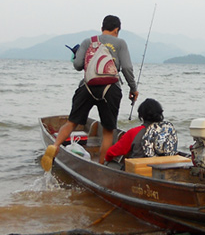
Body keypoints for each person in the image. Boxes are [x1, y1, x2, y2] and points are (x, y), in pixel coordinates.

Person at [44, 15, 139, 168]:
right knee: (108, 131)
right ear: (116, 30)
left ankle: (55, 146)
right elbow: (127, 68)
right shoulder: (121, 43)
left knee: (71, 122)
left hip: (87, 87)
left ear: (102, 28)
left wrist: (76, 55)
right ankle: (101, 166)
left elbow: (78, 65)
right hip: (111, 89)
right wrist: (133, 88)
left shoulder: (88, 41)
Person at [100, 98, 178, 164]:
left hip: (139, 169)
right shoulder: (168, 132)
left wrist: (107, 159)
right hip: (164, 167)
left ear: (141, 116)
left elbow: (111, 153)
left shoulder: (133, 132)